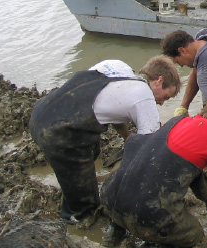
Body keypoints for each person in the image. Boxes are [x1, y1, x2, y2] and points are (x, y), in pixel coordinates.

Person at [100, 98, 207, 248]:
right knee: (195, 235)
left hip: (110, 197)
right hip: (148, 214)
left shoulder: (177, 122)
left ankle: (116, 226)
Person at [29, 56, 181, 224]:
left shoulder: (118, 68)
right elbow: (149, 147)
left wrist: (127, 137)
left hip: (42, 112)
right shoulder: (145, 98)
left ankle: (74, 186)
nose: (161, 103)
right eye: (165, 97)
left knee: (91, 150)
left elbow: (115, 110)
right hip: (58, 132)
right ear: (159, 81)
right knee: (85, 205)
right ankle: (76, 220)